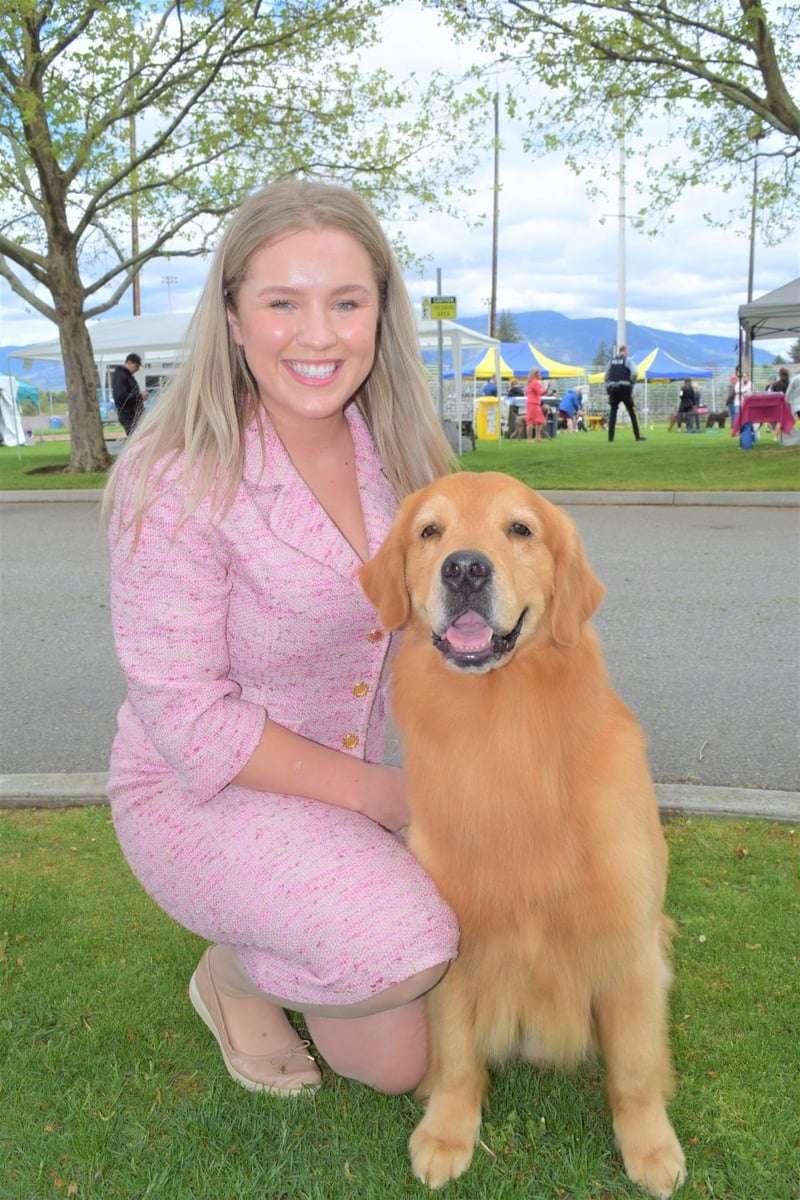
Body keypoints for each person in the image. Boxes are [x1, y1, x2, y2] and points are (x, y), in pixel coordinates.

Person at [102, 179, 460, 1100]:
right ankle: (230, 974)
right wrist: (391, 799)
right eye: (282, 302)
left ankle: (309, 928)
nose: (318, 334)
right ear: (231, 316)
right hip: (201, 794)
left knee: (400, 1054)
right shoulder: (174, 475)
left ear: (381, 310)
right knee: (409, 963)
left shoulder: (407, 450)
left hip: (354, 779)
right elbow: (190, 719)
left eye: (346, 301)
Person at [605, 345, 645, 442]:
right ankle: (637, 436)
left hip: (613, 390)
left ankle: (610, 438)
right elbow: (634, 373)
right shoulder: (627, 360)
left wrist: (608, 386)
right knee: (632, 412)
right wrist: (631, 382)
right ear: (625, 351)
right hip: (625, 389)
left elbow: (606, 375)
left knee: (613, 413)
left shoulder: (611, 361)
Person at [111, 353, 149, 436]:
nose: (137, 369)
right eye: (136, 366)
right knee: (135, 439)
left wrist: (140, 397)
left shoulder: (128, 376)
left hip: (135, 414)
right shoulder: (120, 376)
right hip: (129, 416)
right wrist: (139, 396)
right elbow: (120, 396)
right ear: (129, 362)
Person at [525, 367, 547, 442]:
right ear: (536, 374)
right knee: (538, 421)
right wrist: (547, 389)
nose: (540, 374)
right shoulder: (535, 382)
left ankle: (535, 438)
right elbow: (540, 392)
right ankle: (532, 438)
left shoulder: (531, 382)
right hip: (534, 403)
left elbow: (527, 393)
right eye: (539, 373)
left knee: (536, 421)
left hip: (531, 403)